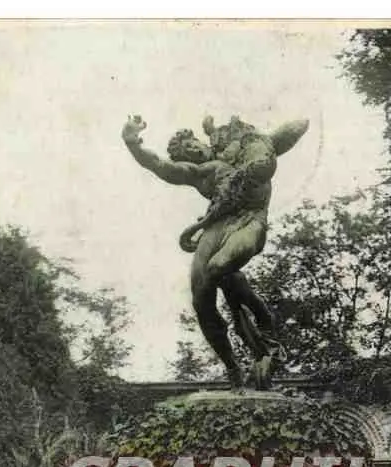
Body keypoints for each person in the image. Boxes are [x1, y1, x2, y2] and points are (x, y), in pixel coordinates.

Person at [122, 113, 309, 388]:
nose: (193, 151)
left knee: (219, 266)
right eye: (186, 153)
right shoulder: (202, 174)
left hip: (249, 221)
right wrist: (133, 143)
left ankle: (264, 326)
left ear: (202, 142)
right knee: (201, 299)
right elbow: (161, 166)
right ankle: (232, 367)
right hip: (215, 226)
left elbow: (291, 131)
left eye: (193, 145)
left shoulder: (239, 150)